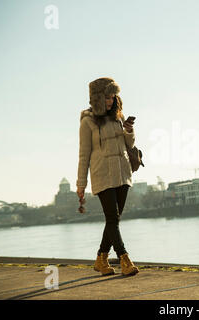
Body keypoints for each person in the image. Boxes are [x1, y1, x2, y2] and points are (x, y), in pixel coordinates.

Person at [76, 77, 139, 277]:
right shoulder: (87, 121)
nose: (111, 101)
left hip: (122, 171)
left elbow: (128, 145)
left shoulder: (118, 116)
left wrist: (129, 131)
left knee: (114, 219)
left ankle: (101, 259)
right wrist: (81, 184)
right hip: (102, 174)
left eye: (113, 97)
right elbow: (84, 154)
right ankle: (124, 259)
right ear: (97, 98)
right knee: (112, 217)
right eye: (106, 97)